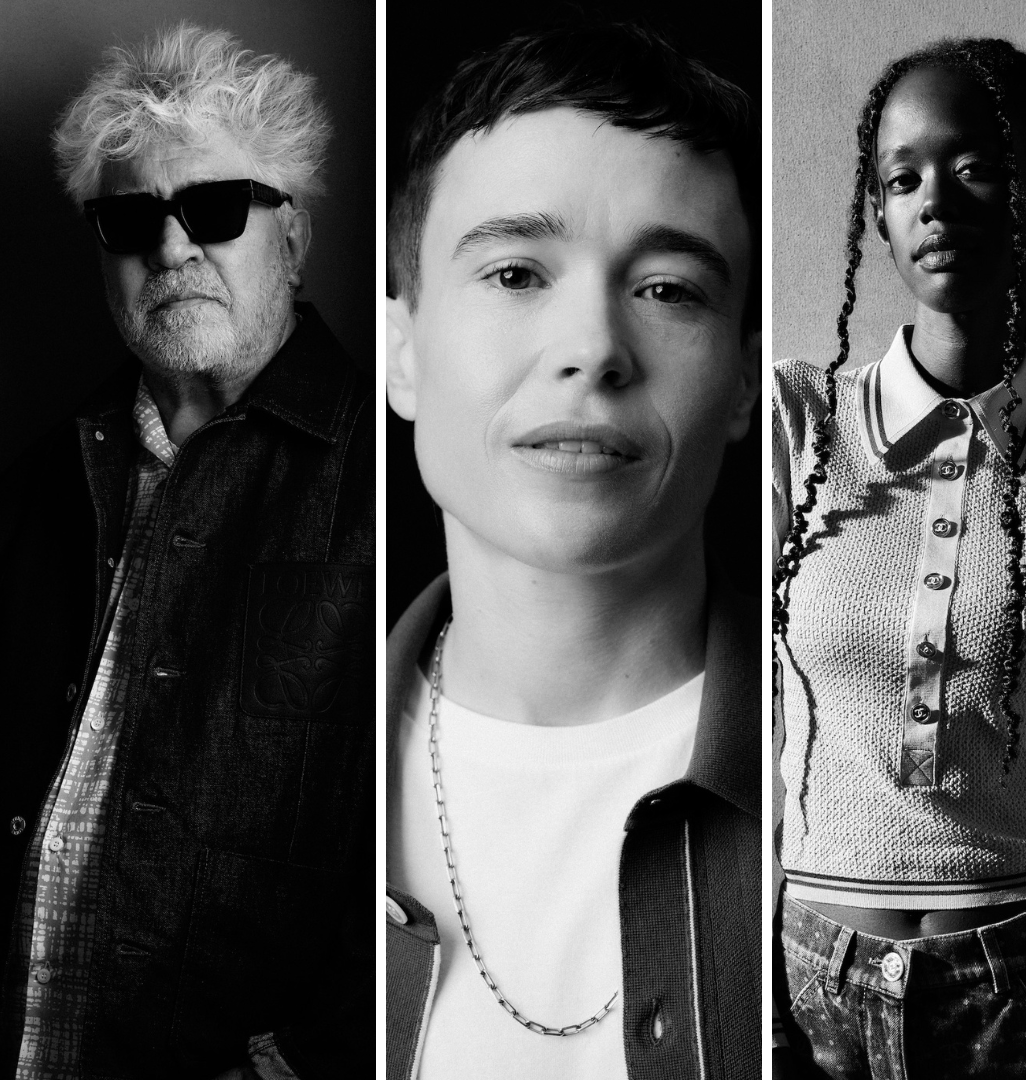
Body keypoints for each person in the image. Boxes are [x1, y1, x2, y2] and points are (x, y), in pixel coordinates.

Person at [382, 21, 760, 1080]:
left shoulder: (859, 782)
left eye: (669, 289)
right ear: (399, 351)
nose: (593, 346)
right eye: (513, 274)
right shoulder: (282, 778)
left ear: (741, 380)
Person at [769, 38, 1026, 1080]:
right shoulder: (792, 425)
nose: (934, 199)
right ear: (877, 218)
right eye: (902, 178)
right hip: (810, 983)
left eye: (977, 165)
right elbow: (734, 727)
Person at [0, 23, 370, 1080]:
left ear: (290, 236)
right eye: (130, 219)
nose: (171, 249)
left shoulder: (397, 488)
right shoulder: (32, 493)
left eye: (213, 209)